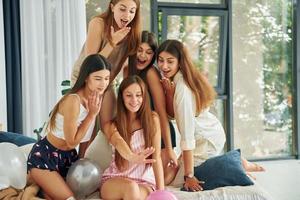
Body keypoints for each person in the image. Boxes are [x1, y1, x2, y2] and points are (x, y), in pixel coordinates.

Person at [156, 40, 264, 192]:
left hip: (206, 139)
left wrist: (189, 176)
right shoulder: (178, 79)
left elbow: (187, 137)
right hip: (208, 131)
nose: (164, 66)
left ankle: (237, 167)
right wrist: (169, 94)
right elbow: (176, 115)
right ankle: (239, 163)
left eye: (170, 61)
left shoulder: (182, 89)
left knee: (175, 182)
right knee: (171, 175)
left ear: (180, 62)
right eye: (160, 60)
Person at [27, 54, 111, 200]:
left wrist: (80, 161)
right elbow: (72, 142)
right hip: (46, 156)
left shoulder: (94, 99)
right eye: (98, 78)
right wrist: (91, 115)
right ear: (86, 77)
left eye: (106, 78)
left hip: (67, 158)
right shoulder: (73, 101)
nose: (103, 83)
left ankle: (40, 188)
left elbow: (85, 138)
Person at [71, 0, 141, 135]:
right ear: (112, 7)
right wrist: (112, 42)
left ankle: (106, 155)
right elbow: (91, 63)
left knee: (108, 124)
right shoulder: (98, 23)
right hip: (86, 78)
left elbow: (126, 65)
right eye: (122, 9)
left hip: (108, 80)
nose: (127, 15)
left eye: (132, 11)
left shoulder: (131, 32)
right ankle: (82, 156)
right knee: (87, 125)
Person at [100, 76, 164, 200]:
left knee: (133, 188)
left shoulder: (153, 119)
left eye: (138, 95)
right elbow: (118, 142)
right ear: (122, 98)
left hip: (143, 182)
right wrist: (133, 157)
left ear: (144, 97)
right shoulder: (112, 125)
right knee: (131, 187)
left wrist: (161, 192)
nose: (134, 100)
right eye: (129, 95)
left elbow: (157, 158)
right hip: (114, 180)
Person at [125, 30, 178, 175]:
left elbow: (162, 114)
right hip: (140, 134)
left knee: (162, 179)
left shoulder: (151, 74)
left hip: (158, 131)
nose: (143, 56)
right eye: (139, 50)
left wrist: (168, 149)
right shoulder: (126, 71)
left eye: (149, 52)